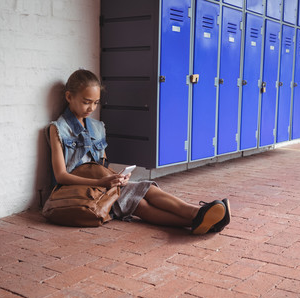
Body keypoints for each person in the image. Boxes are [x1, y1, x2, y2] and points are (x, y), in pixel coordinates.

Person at [47, 69, 230, 235]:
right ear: (69, 96)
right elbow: (61, 176)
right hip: (80, 191)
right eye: (86, 102)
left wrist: (117, 178)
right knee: (139, 204)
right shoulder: (58, 129)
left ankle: (200, 218)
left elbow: (102, 166)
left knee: (145, 189)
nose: (92, 108)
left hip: (102, 184)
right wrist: (101, 182)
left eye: (96, 103)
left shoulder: (97, 127)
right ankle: (200, 217)